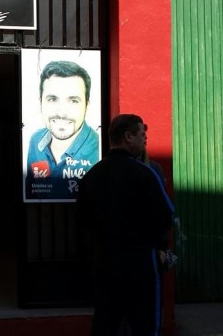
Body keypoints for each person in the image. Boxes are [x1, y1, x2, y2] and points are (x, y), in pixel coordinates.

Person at [76, 114, 173, 335]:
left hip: (105, 261)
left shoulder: (92, 175)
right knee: (145, 323)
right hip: (141, 264)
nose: (144, 140)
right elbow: (164, 216)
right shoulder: (145, 173)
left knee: (105, 322)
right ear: (128, 137)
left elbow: (82, 220)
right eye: (142, 134)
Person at [26, 60, 100, 201]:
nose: (62, 112)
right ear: (41, 102)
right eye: (52, 99)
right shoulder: (35, 140)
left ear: (87, 105)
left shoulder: (98, 146)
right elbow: (31, 193)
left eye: (73, 101)